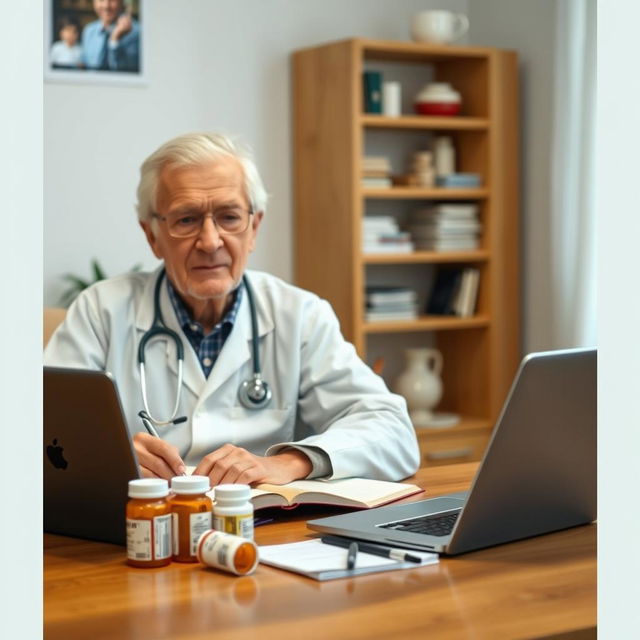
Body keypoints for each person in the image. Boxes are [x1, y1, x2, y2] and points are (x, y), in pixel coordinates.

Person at [44, 132, 420, 487]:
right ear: (152, 235)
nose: (210, 242)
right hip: (142, 529)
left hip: (262, 530)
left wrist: (288, 463)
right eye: (186, 219)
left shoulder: (300, 315)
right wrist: (114, 457)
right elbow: (38, 430)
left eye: (229, 216)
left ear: (254, 227)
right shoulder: (101, 311)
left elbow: (393, 431)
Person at [81, 0, 140, 72]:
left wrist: (115, 41)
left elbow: (124, 74)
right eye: (101, 0)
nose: (106, 6)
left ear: (121, 2)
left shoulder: (137, 33)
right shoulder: (89, 31)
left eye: (112, 0)